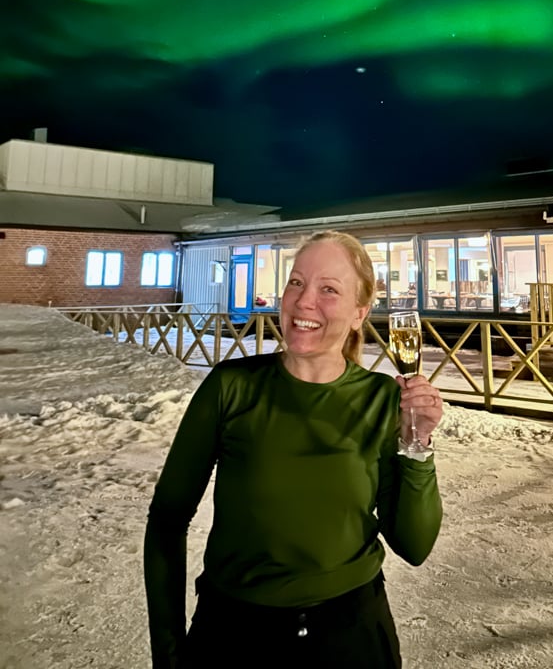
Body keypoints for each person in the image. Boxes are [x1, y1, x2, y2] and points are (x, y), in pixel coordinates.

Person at [144, 230, 443, 668]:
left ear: (361, 312)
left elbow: (414, 546)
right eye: (297, 282)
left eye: (329, 290)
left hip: (352, 637)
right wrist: (168, 655)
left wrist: (416, 442)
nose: (304, 302)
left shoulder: (382, 399)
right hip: (234, 635)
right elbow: (167, 521)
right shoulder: (230, 388)